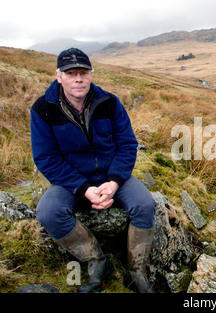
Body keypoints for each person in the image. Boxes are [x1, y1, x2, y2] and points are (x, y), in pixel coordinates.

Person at [30, 48, 156, 293]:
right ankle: (96, 262)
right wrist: (84, 188)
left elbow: (128, 145)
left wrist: (115, 181)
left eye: (83, 72)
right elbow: (46, 157)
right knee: (48, 210)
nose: (78, 78)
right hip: (72, 181)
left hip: (113, 175)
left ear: (90, 75)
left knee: (145, 205)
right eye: (71, 73)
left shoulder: (109, 102)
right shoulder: (42, 109)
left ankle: (136, 272)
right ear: (59, 76)